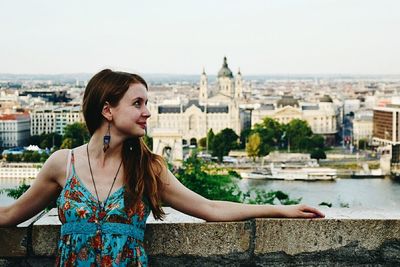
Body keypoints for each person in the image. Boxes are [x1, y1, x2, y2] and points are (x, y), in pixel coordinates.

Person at [0, 69, 324, 266]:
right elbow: (9, 216)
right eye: (137, 103)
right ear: (107, 110)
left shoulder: (148, 168)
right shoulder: (62, 164)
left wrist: (280, 210)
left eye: (147, 103)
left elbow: (209, 207)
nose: (147, 113)